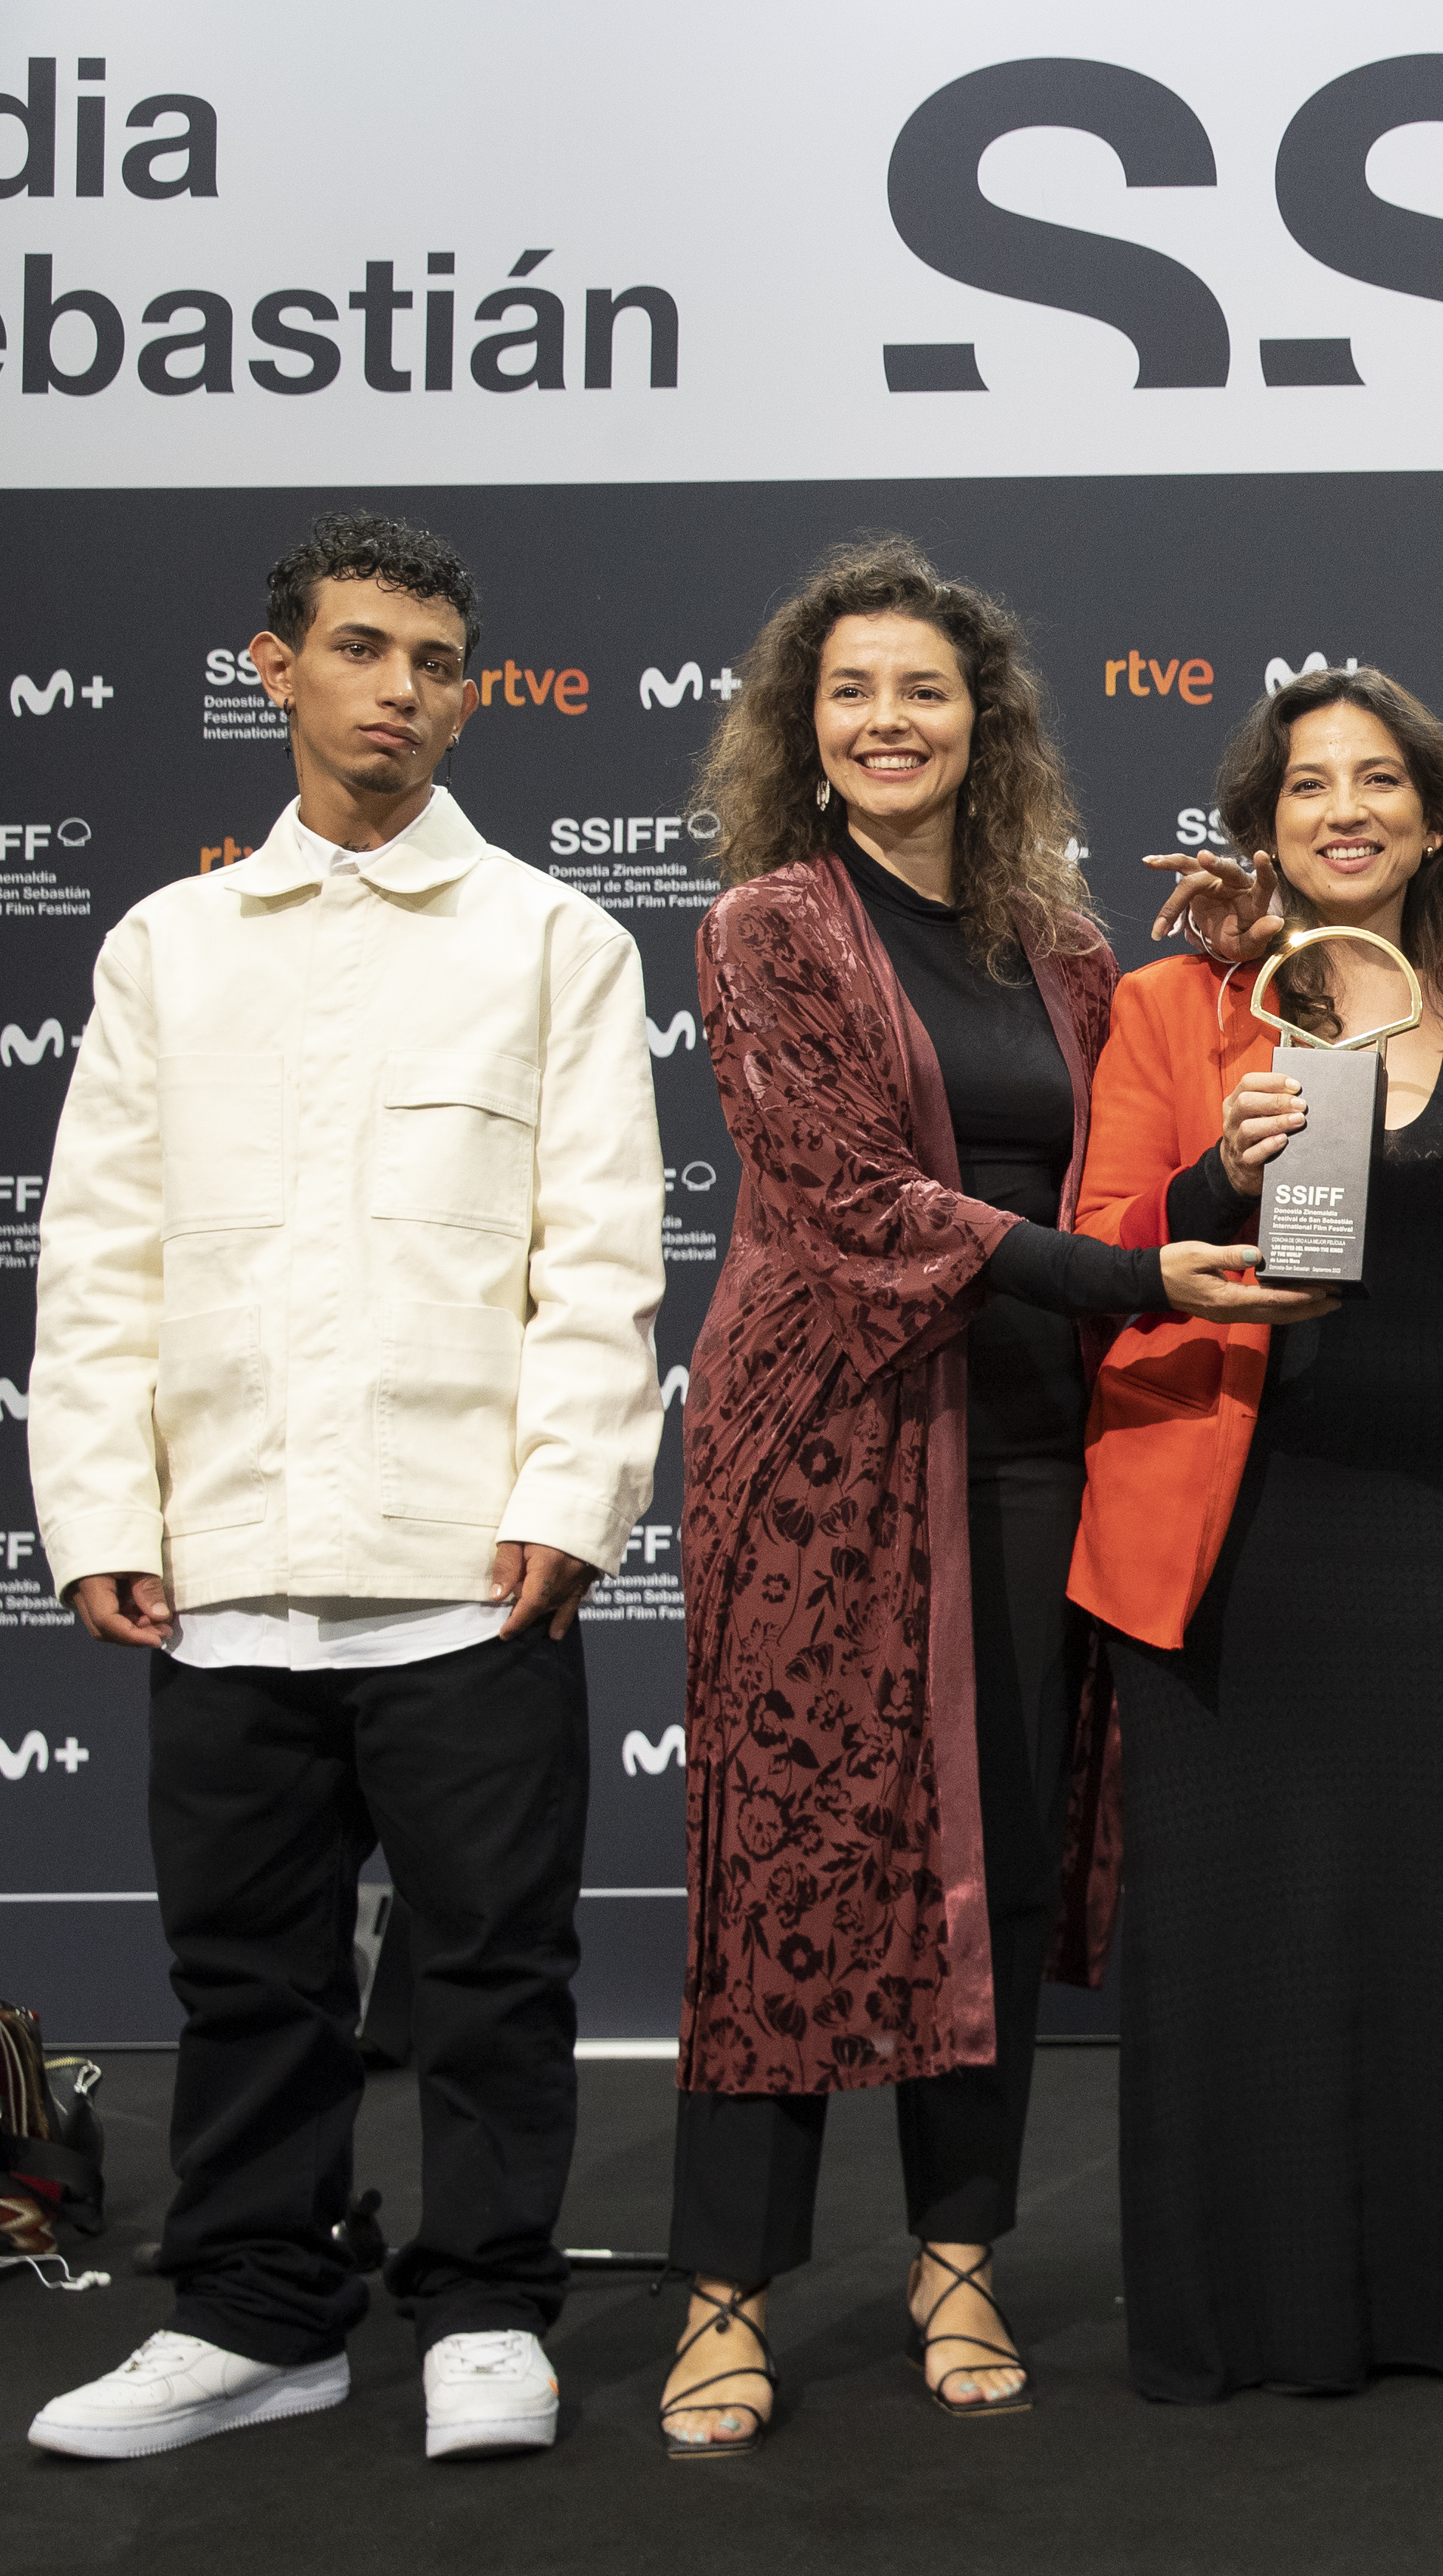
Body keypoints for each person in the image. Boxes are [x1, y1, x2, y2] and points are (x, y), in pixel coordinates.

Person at [26, 512, 664, 2463]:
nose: (404, 689)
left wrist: (570, 1501)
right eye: (366, 648)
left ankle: (483, 2307)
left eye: (438, 659)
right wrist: (105, 1521)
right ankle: (257, 2315)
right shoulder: (168, 949)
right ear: (273, 667)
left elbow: (602, 1260)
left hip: (465, 1568)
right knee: (245, 1978)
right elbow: (99, 1259)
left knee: (490, 1974)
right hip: (223, 1559)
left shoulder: (555, 941)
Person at [654, 541, 1284, 2458]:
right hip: (822, 1467)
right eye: (850, 693)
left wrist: (1228, 986)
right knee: (783, 1878)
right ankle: (722, 2295)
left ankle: (957, 2258)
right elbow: (855, 1199)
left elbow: (1122, 1205)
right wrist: (1125, 1283)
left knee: (989, 1878)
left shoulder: (1068, 954)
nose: (886, 722)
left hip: (1023, 1463)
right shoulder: (768, 928)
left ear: (981, 721)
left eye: (923, 690)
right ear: (803, 729)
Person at [1076, 665, 1443, 2402]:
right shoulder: (1170, 1003)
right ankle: (1241, 2318)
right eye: (1305, 785)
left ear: (1433, 818)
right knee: (1244, 1930)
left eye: (1377, 781)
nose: (1342, 808)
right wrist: (1222, 1168)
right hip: (1243, 1525)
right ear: (1262, 826)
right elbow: (1105, 1245)